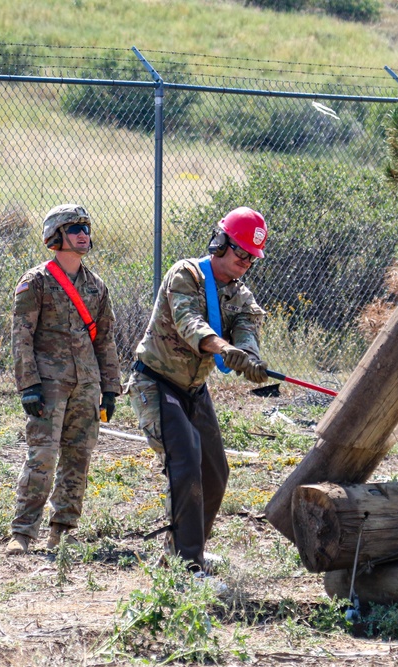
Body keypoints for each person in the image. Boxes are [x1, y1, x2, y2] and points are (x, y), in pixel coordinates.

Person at [126, 206, 269, 573]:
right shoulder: (185, 274)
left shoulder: (240, 294)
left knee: (215, 470)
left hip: (193, 389)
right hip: (156, 381)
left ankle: (188, 549)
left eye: (252, 258)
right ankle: (186, 568)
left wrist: (250, 357)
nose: (245, 262)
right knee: (185, 462)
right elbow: (190, 323)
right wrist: (225, 349)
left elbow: (247, 328)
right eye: (240, 252)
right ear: (219, 243)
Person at [6, 204, 121, 555]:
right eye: (75, 229)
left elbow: (105, 339)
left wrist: (110, 389)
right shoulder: (36, 281)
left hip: (86, 387)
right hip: (49, 385)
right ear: (55, 237)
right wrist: (29, 385)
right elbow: (21, 335)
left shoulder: (96, 287)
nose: (84, 234)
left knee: (77, 459)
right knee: (41, 457)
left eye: (86, 227)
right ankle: (23, 533)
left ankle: (62, 531)